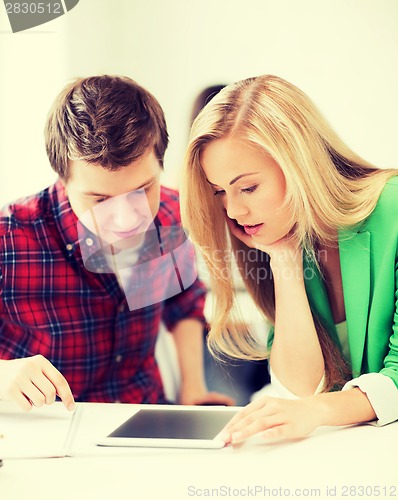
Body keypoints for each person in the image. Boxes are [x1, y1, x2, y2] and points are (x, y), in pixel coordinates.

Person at [181, 74, 398, 443]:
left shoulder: (392, 210)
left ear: (301, 164)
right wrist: (283, 259)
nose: (233, 210)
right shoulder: (281, 234)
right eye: (220, 192)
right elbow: (300, 390)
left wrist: (316, 411)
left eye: (248, 187)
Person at [0, 75, 234, 412]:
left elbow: (182, 300)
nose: (128, 219)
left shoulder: (169, 212)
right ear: (62, 178)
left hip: (145, 416)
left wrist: (192, 388)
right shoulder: (10, 239)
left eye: (142, 190)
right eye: (100, 200)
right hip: (45, 432)